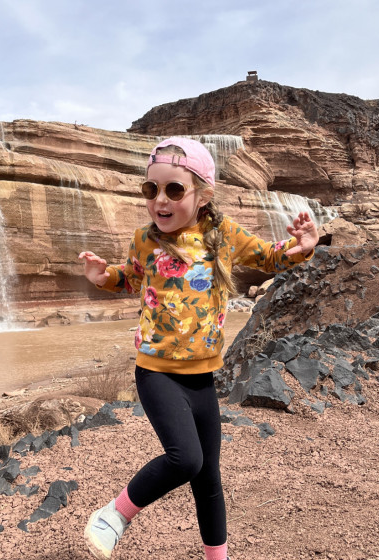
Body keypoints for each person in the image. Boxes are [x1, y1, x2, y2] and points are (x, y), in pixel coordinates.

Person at [78, 137, 318, 560]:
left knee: (208, 479)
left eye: (174, 189)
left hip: (202, 377)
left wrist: (302, 248)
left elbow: (268, 257)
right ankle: (114, 516)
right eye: (151, 189)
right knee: (186, 459)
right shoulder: (144, 240)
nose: (160, 200)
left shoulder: (223, 235)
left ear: (203, 195)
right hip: (156, 371)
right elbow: (131, 276)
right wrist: (104, 276)